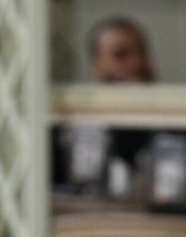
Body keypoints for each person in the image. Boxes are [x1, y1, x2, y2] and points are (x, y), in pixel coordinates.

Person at [60, 13, 156, 191]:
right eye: (121, 55)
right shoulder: (75, 127)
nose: (137, 62)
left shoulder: (170, 123)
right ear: (95, 66)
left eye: (141, 51)